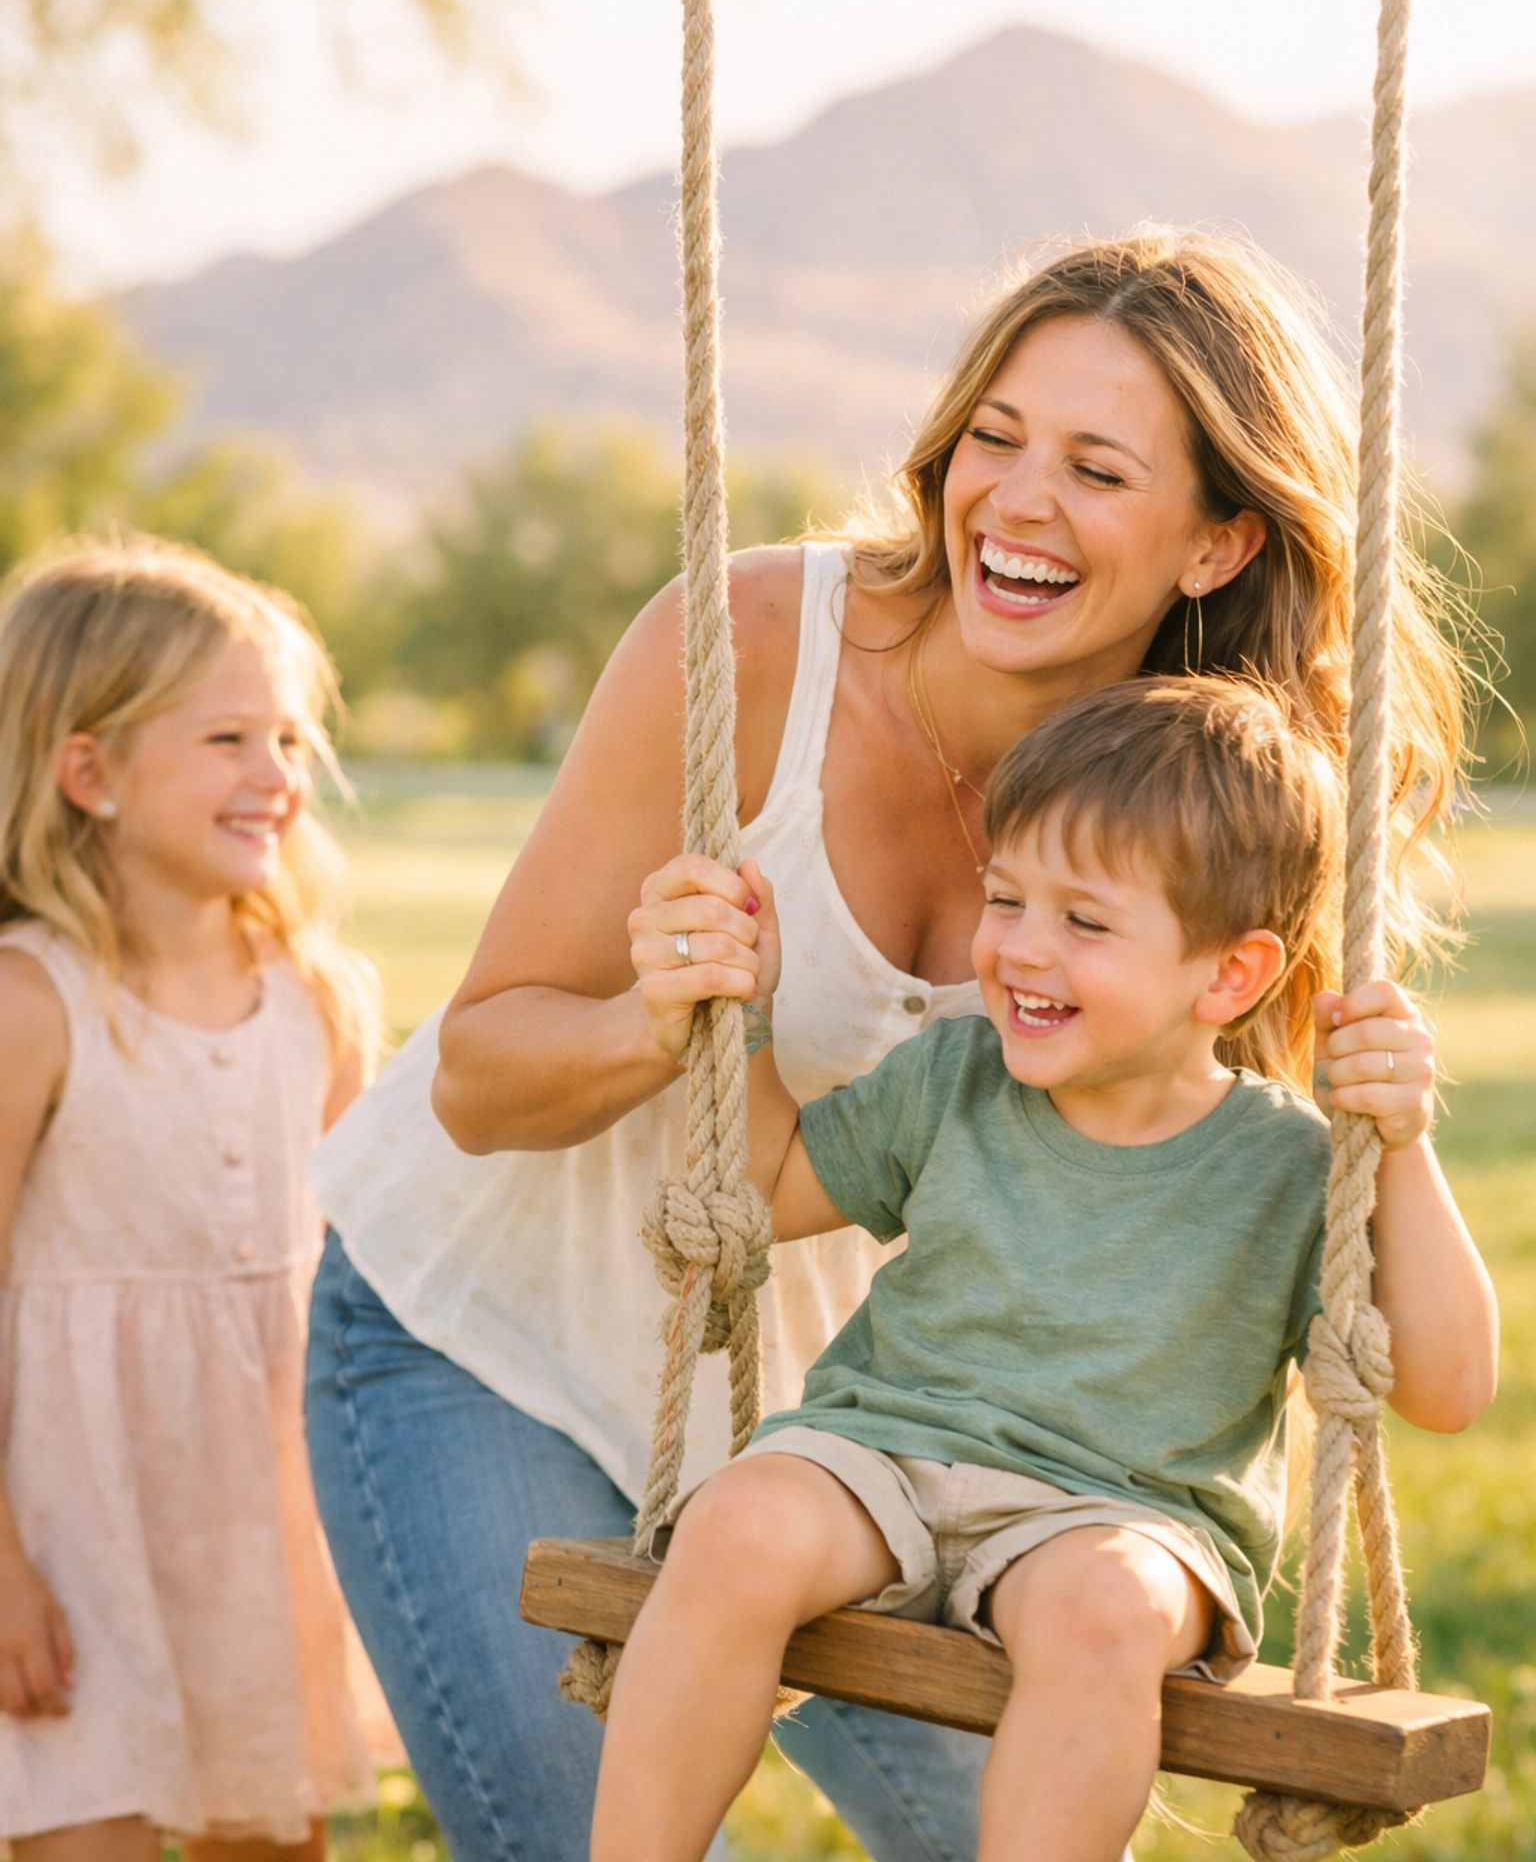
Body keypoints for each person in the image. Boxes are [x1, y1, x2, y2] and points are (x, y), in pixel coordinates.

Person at [307, 230, 1464, 1862]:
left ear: (1215, 542)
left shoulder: (1202, 809)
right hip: (480, 1324)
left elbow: (1291, 1231)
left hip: (891, 1413)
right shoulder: (753, 646)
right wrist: (663, 1022)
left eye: (1095, 465)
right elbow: (481, 1077)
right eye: (992, 435)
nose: (1016, 500)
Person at [594, 678, 1498, 1862]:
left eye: (1083, 921)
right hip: (885, 1455)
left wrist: (1400, 1144)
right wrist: (743, 1024)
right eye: (1007, 897)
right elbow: (759, 1196)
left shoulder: (1289, 1165)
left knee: (1099, 1610)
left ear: (1227, 975)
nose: (1020, 946)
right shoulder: (952, 1079)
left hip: (1122, 1514)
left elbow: (1449, 1385)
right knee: (736, 1524)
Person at [0, 539, 380, 1862]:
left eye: (285, 736)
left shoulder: (318, 1002)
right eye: (228, 738)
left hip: (254, 1520)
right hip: (63, 1535)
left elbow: (367, 1285)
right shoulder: (31, 1005)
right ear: (89, 771)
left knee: (269, 1840)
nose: (278, 776)